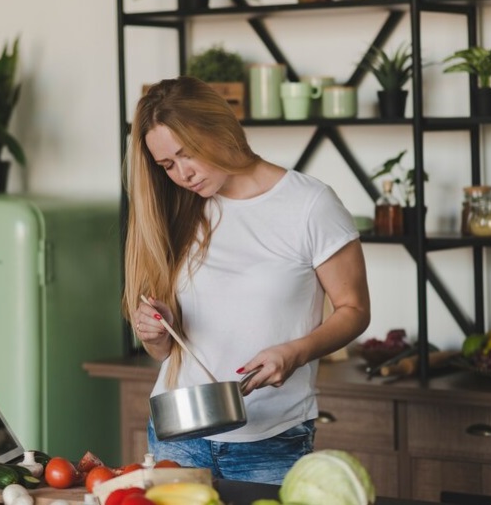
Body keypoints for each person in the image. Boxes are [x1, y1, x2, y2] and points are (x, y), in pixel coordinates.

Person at [122, 76, 371, 484]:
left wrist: (294, 353)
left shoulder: (309, 204)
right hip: (178, 436)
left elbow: (355, 310)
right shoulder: (180, 210)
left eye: (187, 154)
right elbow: (163, 352)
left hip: (272, 438)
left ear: (219, 128)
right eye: (167, 165)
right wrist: (154, 332)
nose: (182, 174)